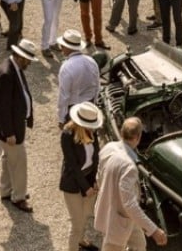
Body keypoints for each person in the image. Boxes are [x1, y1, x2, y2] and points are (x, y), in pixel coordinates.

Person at [94, 117, 167, 250]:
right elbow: (129, 204)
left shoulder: (108, 148)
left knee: (139, 245)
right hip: (117, 220)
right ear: (138, 137)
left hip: (122, 215)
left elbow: (99, 178)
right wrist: (154, 230)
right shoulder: (129, 167)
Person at [0, 38, 36, 213]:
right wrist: (9, 132)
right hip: (10, 130)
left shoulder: (12, 68)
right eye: (28, 60)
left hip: (12, 127)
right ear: (20, 57)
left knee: (8, 159)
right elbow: (2, 107)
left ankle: (6, 190)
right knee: (19, 162)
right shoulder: (6, 74)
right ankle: (19, 196)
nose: (29, 63)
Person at [60, 102, 104, 251]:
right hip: (73, 183)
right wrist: (86, 188)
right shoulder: (67, 135)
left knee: (85, 216)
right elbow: (72, 165)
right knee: (77, 224)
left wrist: (94, 181)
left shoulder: (91, 132)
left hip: (89, 179)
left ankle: (80, 240)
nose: (93, 129)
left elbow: (95, 159)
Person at [56, 30, 101, 125]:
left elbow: (64, 96)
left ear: (68, 47)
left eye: (62, 46)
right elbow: (97, 86)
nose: (61, 47)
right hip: (89, 106)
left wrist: (61, 118)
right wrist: (94, 104)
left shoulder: (66, 67)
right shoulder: (91, 61)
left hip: (73, 109)